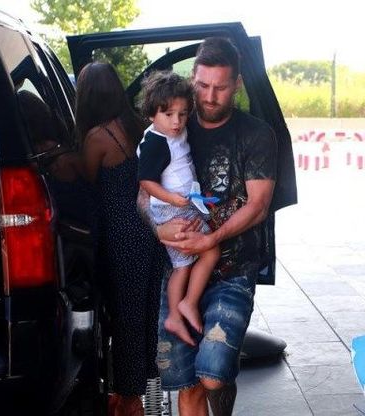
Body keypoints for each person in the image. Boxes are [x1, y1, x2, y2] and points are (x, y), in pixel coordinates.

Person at [138, 37, 278, 416]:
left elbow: (259, 205)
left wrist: (211, 239)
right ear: (192, 79)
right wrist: (158, 230)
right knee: (187, 385)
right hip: (179, 268)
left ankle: (223, 390)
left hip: (233, 269)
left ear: (237, 85)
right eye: (202, 85)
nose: (210, 96)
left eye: (220, 87)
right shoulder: (171, 124)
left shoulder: (255, 134)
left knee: (213, 375)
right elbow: (143, 195)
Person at [75, 62, 166, 416]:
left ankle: (130, 401)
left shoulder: (97, 138)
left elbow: (86, 183)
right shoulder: (139, 127)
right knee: (147, 312)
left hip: (119, 235)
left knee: (124, 317)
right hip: (149, 229)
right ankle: (148, 389)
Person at [137, 70, 220, 347]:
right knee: (205, 253)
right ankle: (185, 306)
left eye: (183, 114)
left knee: (184, 265)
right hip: (171, 211)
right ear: (152, 114)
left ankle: (178, 311)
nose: (176, 122)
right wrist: (172, 199)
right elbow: (146, 182)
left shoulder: (174, 133)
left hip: (183, 205)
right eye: (168, 114)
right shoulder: (155, 142)